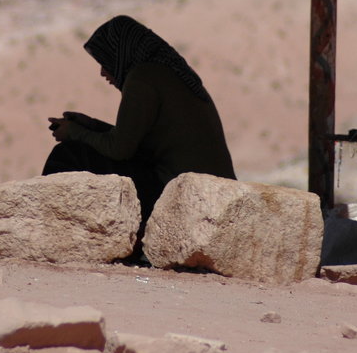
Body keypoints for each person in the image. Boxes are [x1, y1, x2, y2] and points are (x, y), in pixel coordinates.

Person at [44, 15, 235, 232]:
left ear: (119, 55)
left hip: (186, 194)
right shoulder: (164, 73)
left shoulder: (142, 79)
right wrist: (91, 125)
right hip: (212, 190)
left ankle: (50, 230)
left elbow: (120, 149)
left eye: (105, 60)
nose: (103, 72)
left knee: (69, 154)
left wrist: (75, 132)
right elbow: (133, 141)